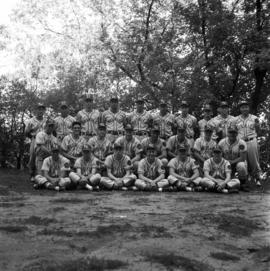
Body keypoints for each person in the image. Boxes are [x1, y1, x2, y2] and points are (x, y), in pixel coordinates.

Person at [234, 100, 264, 185]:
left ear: (248, 108)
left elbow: (259, 130)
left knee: (254, 159)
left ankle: (257, 177)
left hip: (251, 140)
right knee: (243, 160)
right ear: (240, 109)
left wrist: (258, 126)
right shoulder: (236, 119)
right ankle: (245, 179)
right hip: (241, 142)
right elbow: (233, 132)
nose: (244, 109)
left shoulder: (254, 118)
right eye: (243, 107)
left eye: (246, 107)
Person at [218, 124, 249, 191]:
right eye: (230, 132)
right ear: (227, 133)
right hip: (225, 163)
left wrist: (232, 162)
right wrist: (226, 162)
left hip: (237, 163)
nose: (232, 134)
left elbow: (243, 158)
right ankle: (222, 183)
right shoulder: (221, 142)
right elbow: (218, 156)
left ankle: (242, 184)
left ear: (237, 133)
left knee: (242, 165)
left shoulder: (241, 143)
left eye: (234, 132)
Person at [25, 103, 47, 180]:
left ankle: (42, 174)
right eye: (39, 109)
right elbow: (26, 133)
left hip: (45, 140)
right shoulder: (31, 121)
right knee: (33, 157)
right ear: (36, 110)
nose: (40, 111)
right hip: (34, 139)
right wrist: (33, 138)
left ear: (44, 111)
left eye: (42, 109)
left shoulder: (46, 120)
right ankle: (32, 174)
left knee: (44, 156)